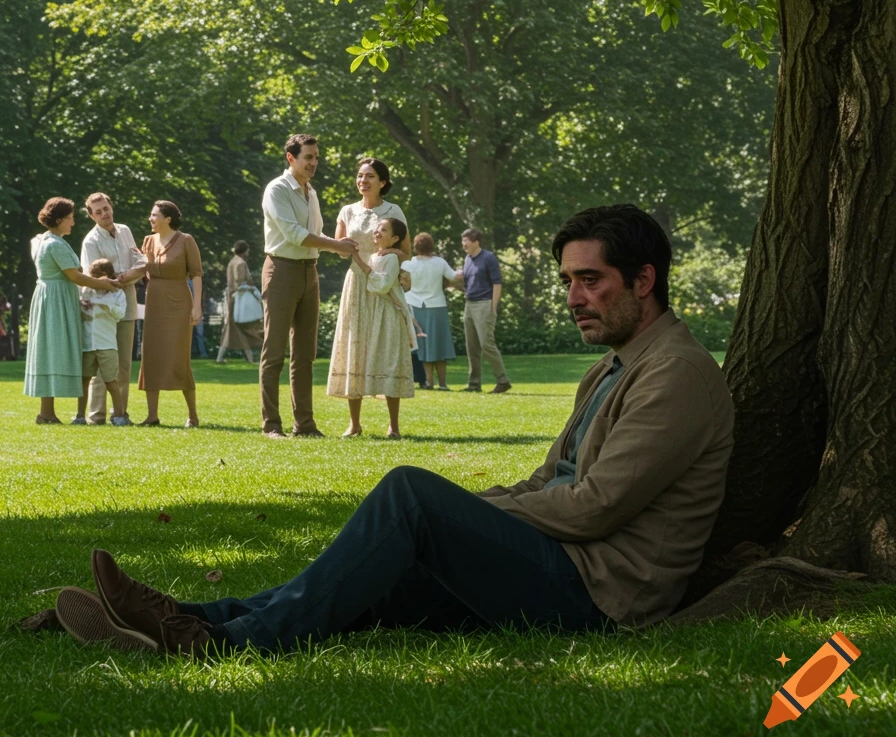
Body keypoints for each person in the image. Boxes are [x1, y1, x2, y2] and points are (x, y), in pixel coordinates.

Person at [53, 204, 735, 656]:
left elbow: (597, 506)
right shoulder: (612, 367)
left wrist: (474, 511)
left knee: (410, 496)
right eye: (568, 281)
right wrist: (483, 513)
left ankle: (219, 645)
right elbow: (549, 480)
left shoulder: (677, 373)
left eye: (591, 281)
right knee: (377, 578)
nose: (574, 299)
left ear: (645, 280)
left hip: (599, 596)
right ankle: (186, 617)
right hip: (557, 565)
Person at [260, 133, 358, 440]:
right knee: (274, 352)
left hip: (308, 272)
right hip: (281, 270)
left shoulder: (310, 191)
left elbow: (315, 233)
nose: (314, 163)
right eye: (308, 158)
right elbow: (294, 234)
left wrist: (338, 243)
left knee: (304, 354)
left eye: (316, 157)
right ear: (291, 158)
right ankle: (271, 425)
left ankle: (305, 425)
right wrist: (335, 245)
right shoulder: (277, 189)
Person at [327, 158, 411, 436]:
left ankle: (394, 425)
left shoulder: (393, 210)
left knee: (388, 347)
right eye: (360, 176)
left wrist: (392, 257)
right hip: (356, 285)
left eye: (370, 176)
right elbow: (338, 248)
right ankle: (354, 424)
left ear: (382, 182)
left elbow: (406, 251)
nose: (363, 180)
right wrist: (341, 247)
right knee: (355, 346)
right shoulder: (348, 211)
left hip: (384, 284)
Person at [24, 198, 121, 425]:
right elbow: (75, 276)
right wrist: (106, 284)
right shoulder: (54, 244)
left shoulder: (44, 240)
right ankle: (46, 412)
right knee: (53, 350)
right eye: (70, 218)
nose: (73, 223)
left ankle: (46, 412)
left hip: (52, 298)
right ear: (59, 220)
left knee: (50, 350)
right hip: (55, 301)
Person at [80, 193, 147, 425]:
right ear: (91, 215)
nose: (104, 214)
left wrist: (127, 276)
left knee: (124, 362)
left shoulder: (125, 231)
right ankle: (96, 415)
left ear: (111, 207)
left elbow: (141, 263)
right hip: (101, 302)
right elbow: (92, 276)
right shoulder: (91, 241)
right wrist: (123, 277)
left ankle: (120, 413)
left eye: (106, 208)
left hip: (126, 298)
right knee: (101, 359)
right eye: (98, 212)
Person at [138, 201, 203, 428]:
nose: (151, 219)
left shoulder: (186, 241)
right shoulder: (147, 241)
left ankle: (193, 416)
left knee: (178, 358)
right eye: (151, 215)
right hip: (154, 302)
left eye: (155, 215)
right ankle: (152, 416)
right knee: (151, 355)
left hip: (179, 303)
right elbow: (140, 270)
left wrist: (197, 306)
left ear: (168, 219)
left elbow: (196, 274)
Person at [73, 259, 129, 427]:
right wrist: (82, 305)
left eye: (99, 278)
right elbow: (80, 310)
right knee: (84, 379)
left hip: (107, 343)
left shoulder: (117, 293)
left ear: (107, 277)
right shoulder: (87, 291)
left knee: (111, 380)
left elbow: (119, 314)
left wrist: (104, 306)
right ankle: (80, 415)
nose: (96, 281)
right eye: (93, 277)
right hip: (88, 343)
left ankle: (119, 415)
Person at [404, 232, 459, 390]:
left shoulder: (410, 263)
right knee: (440, 345)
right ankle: (442, 383)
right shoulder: (439, 262)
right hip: (437, 306)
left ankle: (428, 381)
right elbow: (453, 277)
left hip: (415, 305)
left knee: (424, 345)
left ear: (415, 247)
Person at [458, 228, 510, 393]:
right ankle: (474, 384)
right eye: (463, 240)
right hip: (469, 305)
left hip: (484, 304)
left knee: (486, 344)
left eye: (466, 240)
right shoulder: (467, 259)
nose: (463, 244)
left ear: (476, 241)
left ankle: (503, 381)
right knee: (471, 347)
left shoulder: (488, 257)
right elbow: (466, 283)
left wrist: (493, 306)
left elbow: (497, 282)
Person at [217, 240, 263, 364]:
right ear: (244, 251)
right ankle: (252, 357)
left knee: (233, 328)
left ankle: (221, 358)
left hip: (231, 297)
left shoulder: (232, 262)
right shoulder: (241, 263)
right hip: (238, 299)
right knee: (243, 327)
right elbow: (240, 281)